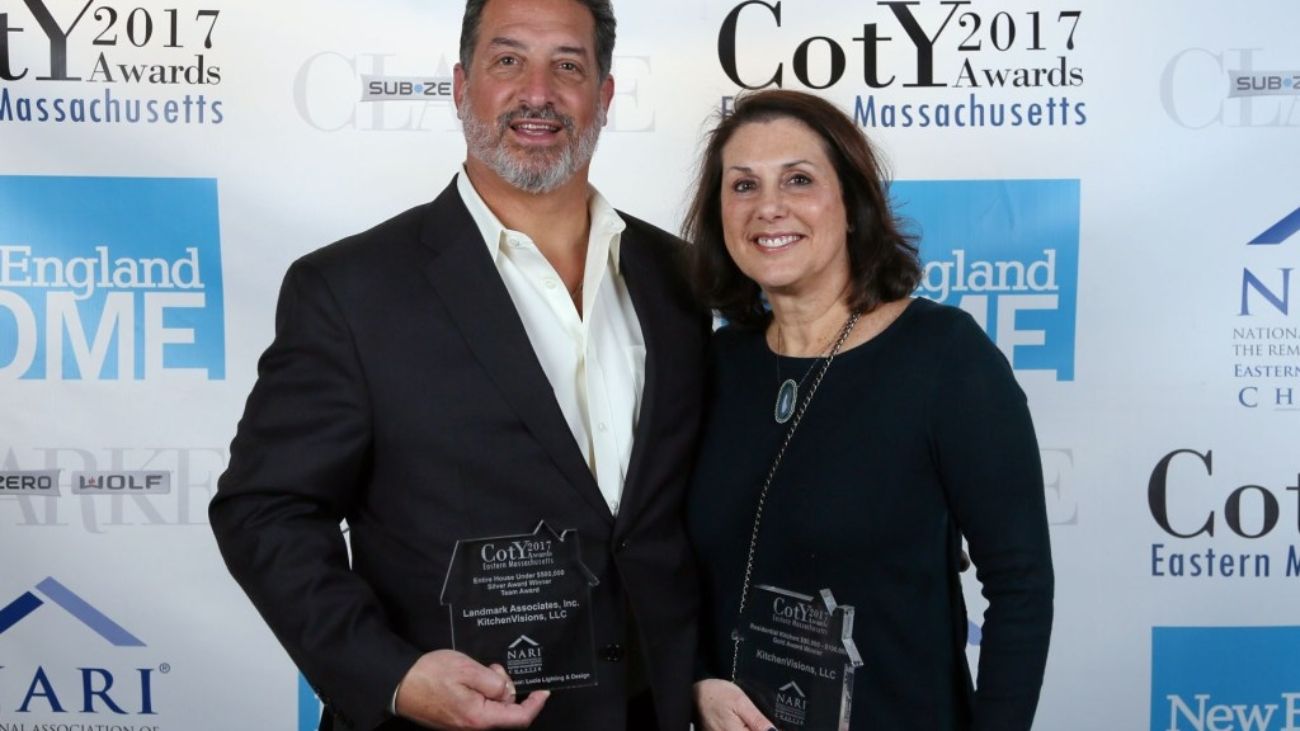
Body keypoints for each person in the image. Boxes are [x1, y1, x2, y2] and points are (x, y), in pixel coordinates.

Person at [209, 1, 707, 729]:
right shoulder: (351, 289)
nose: (537, 92)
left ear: (603, 95)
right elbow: (264, 510)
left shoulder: (679, 278)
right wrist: (392, 674)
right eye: (507, 61)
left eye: (567, 65)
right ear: (459, 84)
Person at [683, 90, 1053, 730]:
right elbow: (673, 568)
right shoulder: (714, 365)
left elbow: (1021, 587)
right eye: (742, 186)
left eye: (798, 179)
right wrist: (696, 680)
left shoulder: (945, 357)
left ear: (851, 206)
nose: (768, 206)